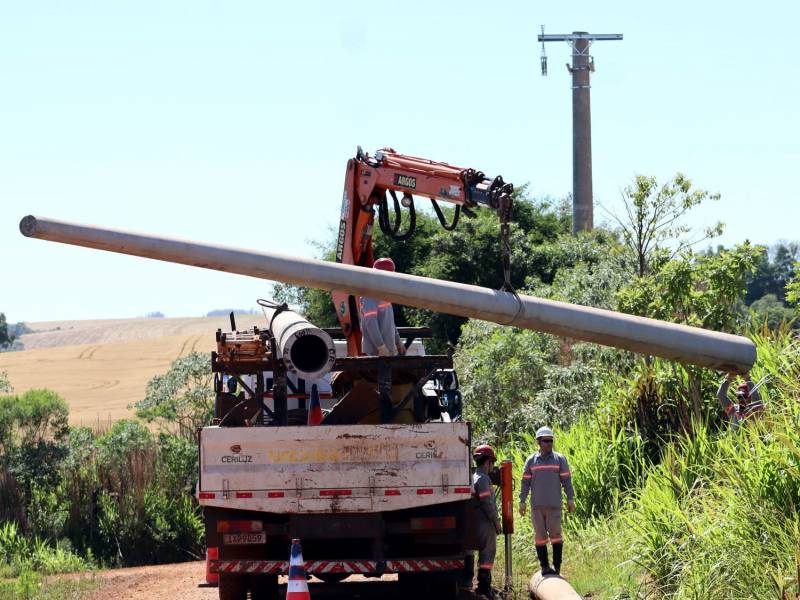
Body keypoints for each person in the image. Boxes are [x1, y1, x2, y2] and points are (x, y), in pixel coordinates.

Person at [518, 426, 575, 576]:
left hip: (555, 506)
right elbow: (525, 483)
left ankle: (557, 568)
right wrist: (522, 501)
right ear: (538, 442)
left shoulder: (560, 459)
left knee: (556, 537)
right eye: (546, 441)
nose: (549, 444)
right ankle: (544, 567)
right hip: (537, 507)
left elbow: (567, 481)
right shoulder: (531, 460)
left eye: (551, 441)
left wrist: (570, 499)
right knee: (540, 538)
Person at [465, 444, 502, 598]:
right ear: (487, 462)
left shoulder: (473, 477)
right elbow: (488, 503)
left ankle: (467, 582)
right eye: (492, 462)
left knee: (471, 551)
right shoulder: (484, 479)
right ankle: (484, 586)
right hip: (485, 522)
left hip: (473, 522)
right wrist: (496, 521)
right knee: (487, 553)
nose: (492, 466)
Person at [359, 257, 406, 357]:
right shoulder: (370, 295)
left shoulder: (384, 294)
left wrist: (398, 341)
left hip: (389, 349)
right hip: (377, 352)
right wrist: (381, 346)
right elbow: (371, 323)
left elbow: (390, 322)